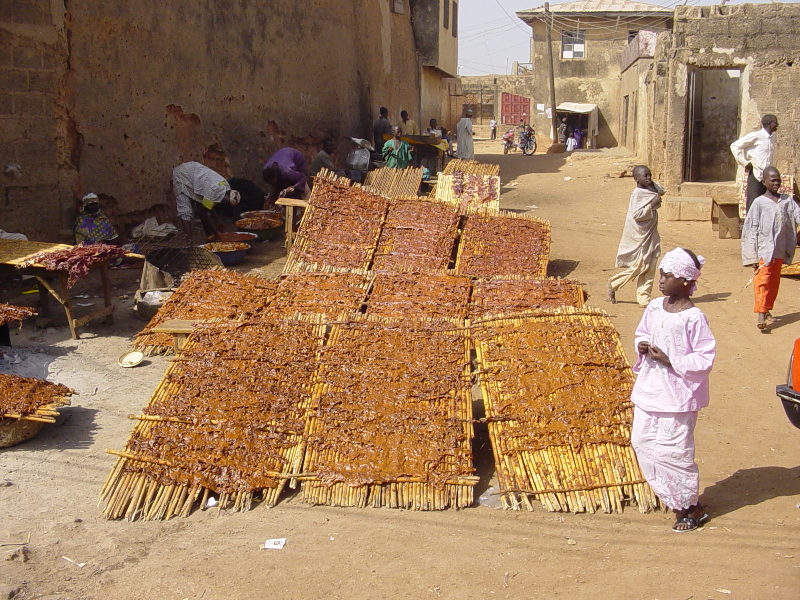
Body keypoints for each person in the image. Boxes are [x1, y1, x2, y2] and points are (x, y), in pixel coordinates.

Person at [631, 247, 716, 533]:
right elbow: (642, 332)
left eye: (668, 276)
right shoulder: (655, 307)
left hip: (678, 397)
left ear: (684, 280)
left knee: (674, 452)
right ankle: (670, 496)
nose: (662, 281)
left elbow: (705, 357)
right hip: (649, 390)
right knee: (643, 443)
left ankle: (690, 507)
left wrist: (671, 360)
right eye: (661, 275)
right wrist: (642, 347)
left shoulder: (694, 318)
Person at [741, 166, 800, 331]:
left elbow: (798, 216)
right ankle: (760, 313)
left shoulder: (787, 201)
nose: (776, 183)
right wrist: (751, 256)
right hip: (763, 251)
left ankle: (766, 308)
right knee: (762, 280)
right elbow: (750, 230)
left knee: (773, 282)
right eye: (772, 180)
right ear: (764, 182)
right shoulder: (759, 203)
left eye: (778, 179)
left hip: (780, 250)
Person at [607, 165, 664, 307]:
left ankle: (644, 298)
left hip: (652, 234)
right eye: (645, 176)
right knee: (640, 266)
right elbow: (637, 215)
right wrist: (652, 206)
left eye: (650, 175)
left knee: (651, 267)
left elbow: (661, 191)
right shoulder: (637, 194)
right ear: (636, 179)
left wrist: (652, 186)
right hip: (641, 235)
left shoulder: (650, 189)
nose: (649, 178)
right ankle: (614, 283)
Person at [172, 161, 241, 241]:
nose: (224, 203)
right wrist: (216, 232)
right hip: (181, 175)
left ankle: (209, 237)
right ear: (226, 198)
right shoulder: (214, 192)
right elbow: (203, 213)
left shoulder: (225, 186)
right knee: (185, 211)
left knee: (201, 204)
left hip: (194, 172)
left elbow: (210, 205)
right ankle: (189, 244)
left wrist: (217, 221)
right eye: (225, 202)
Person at [730, 114, 778, 212]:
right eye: (775, 122)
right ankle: (750, 226)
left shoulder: (772, 138)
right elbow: (734, 146)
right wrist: (744, 162)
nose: (777, 124)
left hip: (767, 177)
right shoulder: (756, 136)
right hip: (756, 175)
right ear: (770, 124)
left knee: (765, 205)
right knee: (753, 205)